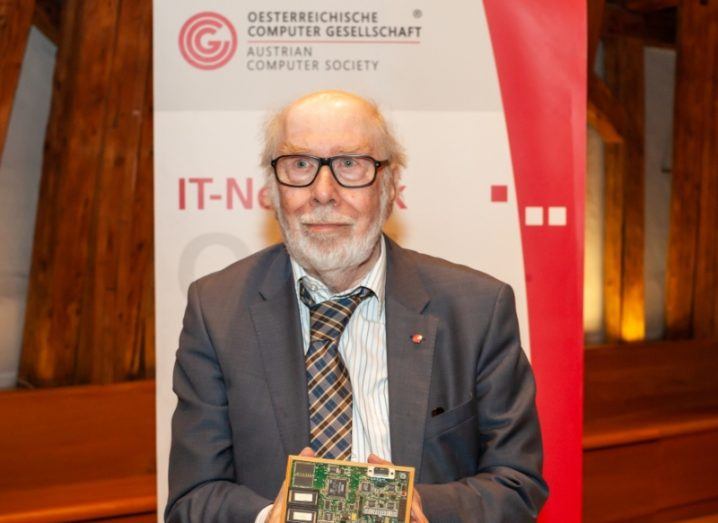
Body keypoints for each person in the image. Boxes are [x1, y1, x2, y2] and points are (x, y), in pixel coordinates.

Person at [166, 90, 548, 522]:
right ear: (272, 191)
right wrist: (269, 518)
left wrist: (421, 510)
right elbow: (191, 498)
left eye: (350, 164)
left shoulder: (477, 310)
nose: (323, 192)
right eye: (300, 165)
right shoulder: (215, 311)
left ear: (389, 187)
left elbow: (517, 482)